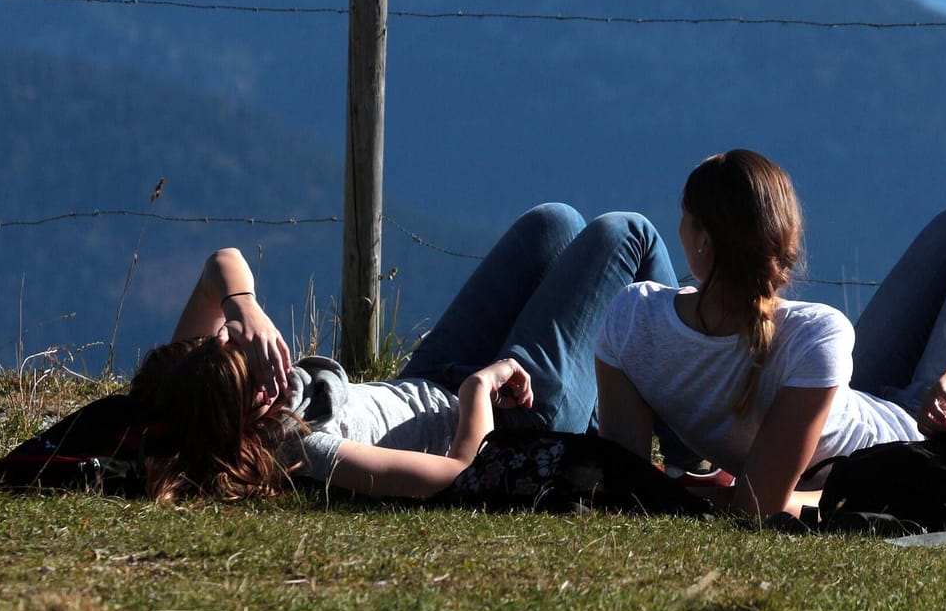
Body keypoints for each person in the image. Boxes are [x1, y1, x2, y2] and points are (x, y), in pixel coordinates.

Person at [594, 150, 946, 518]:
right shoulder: (811, 333)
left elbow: (625, 477)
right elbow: (762, 506)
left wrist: (692, 484)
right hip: (913, 432)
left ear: (704, 244)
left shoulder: (630, 319)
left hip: (851, 396)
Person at [131, 203, 673, 500]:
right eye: (252, 382)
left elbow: (217, 266)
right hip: (510, 421)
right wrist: (481, 386)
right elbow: (459, 473)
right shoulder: (303, 448)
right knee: (627, 233)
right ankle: (686, 450)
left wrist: (241, 306)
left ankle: (617, 413)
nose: (265, 370)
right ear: (238, 421)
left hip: (428, 378)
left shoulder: (190, 387)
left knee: (554, 225)